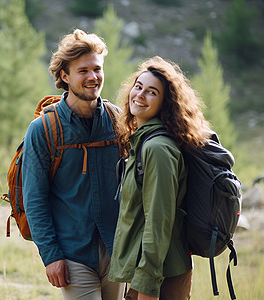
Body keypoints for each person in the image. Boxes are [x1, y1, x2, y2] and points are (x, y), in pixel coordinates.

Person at [22, 29, 125, 300]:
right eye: (83, 71)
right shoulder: (43, 129)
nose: (93, 77)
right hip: (73, 254)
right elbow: (35, 199)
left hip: (118, 250)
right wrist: (51, 256)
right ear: (65, 76)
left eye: (97, 69)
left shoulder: (118, 120)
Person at [108, 56, 212, 300]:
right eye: (138, 86)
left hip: (160, 277)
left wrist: (147, 286)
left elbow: (159, 222)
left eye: (152, 92)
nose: (140, 95)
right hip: (148, 271)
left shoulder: (157, 148)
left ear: (166, 103)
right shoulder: (144, 141)